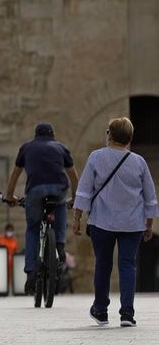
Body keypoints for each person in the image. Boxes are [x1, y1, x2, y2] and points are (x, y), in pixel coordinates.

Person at [73, 117, 158, 327]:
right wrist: (149, 223)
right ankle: (127, 313)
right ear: (129, 138)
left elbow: (84, 190)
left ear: (110, 134)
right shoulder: (139, 162)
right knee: (128, 265)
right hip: (132, 223)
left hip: (101, 222)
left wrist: (77, 218)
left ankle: (101, 310)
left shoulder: (96, 157)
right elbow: (150, 196)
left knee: (103, 264)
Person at [2, 121, 78, 293]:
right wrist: (75, 198)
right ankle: (60, 245)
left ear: (36, 135)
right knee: (60, 207)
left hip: (34, 191)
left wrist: (9, 196)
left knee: (33, 229)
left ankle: (30, 272)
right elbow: (73, 177)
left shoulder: (26, 148)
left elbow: (15, 175)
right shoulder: (61, 148)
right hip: (59, 189)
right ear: (52, 135)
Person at [0, 222, 19, 287]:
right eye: (9, 230)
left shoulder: (14, 241)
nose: (10, 232)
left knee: (9, 280)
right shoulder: (0, 239)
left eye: (11, 230)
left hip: (11, 265)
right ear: (6, 230)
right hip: (1, 264)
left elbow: (16, 251)